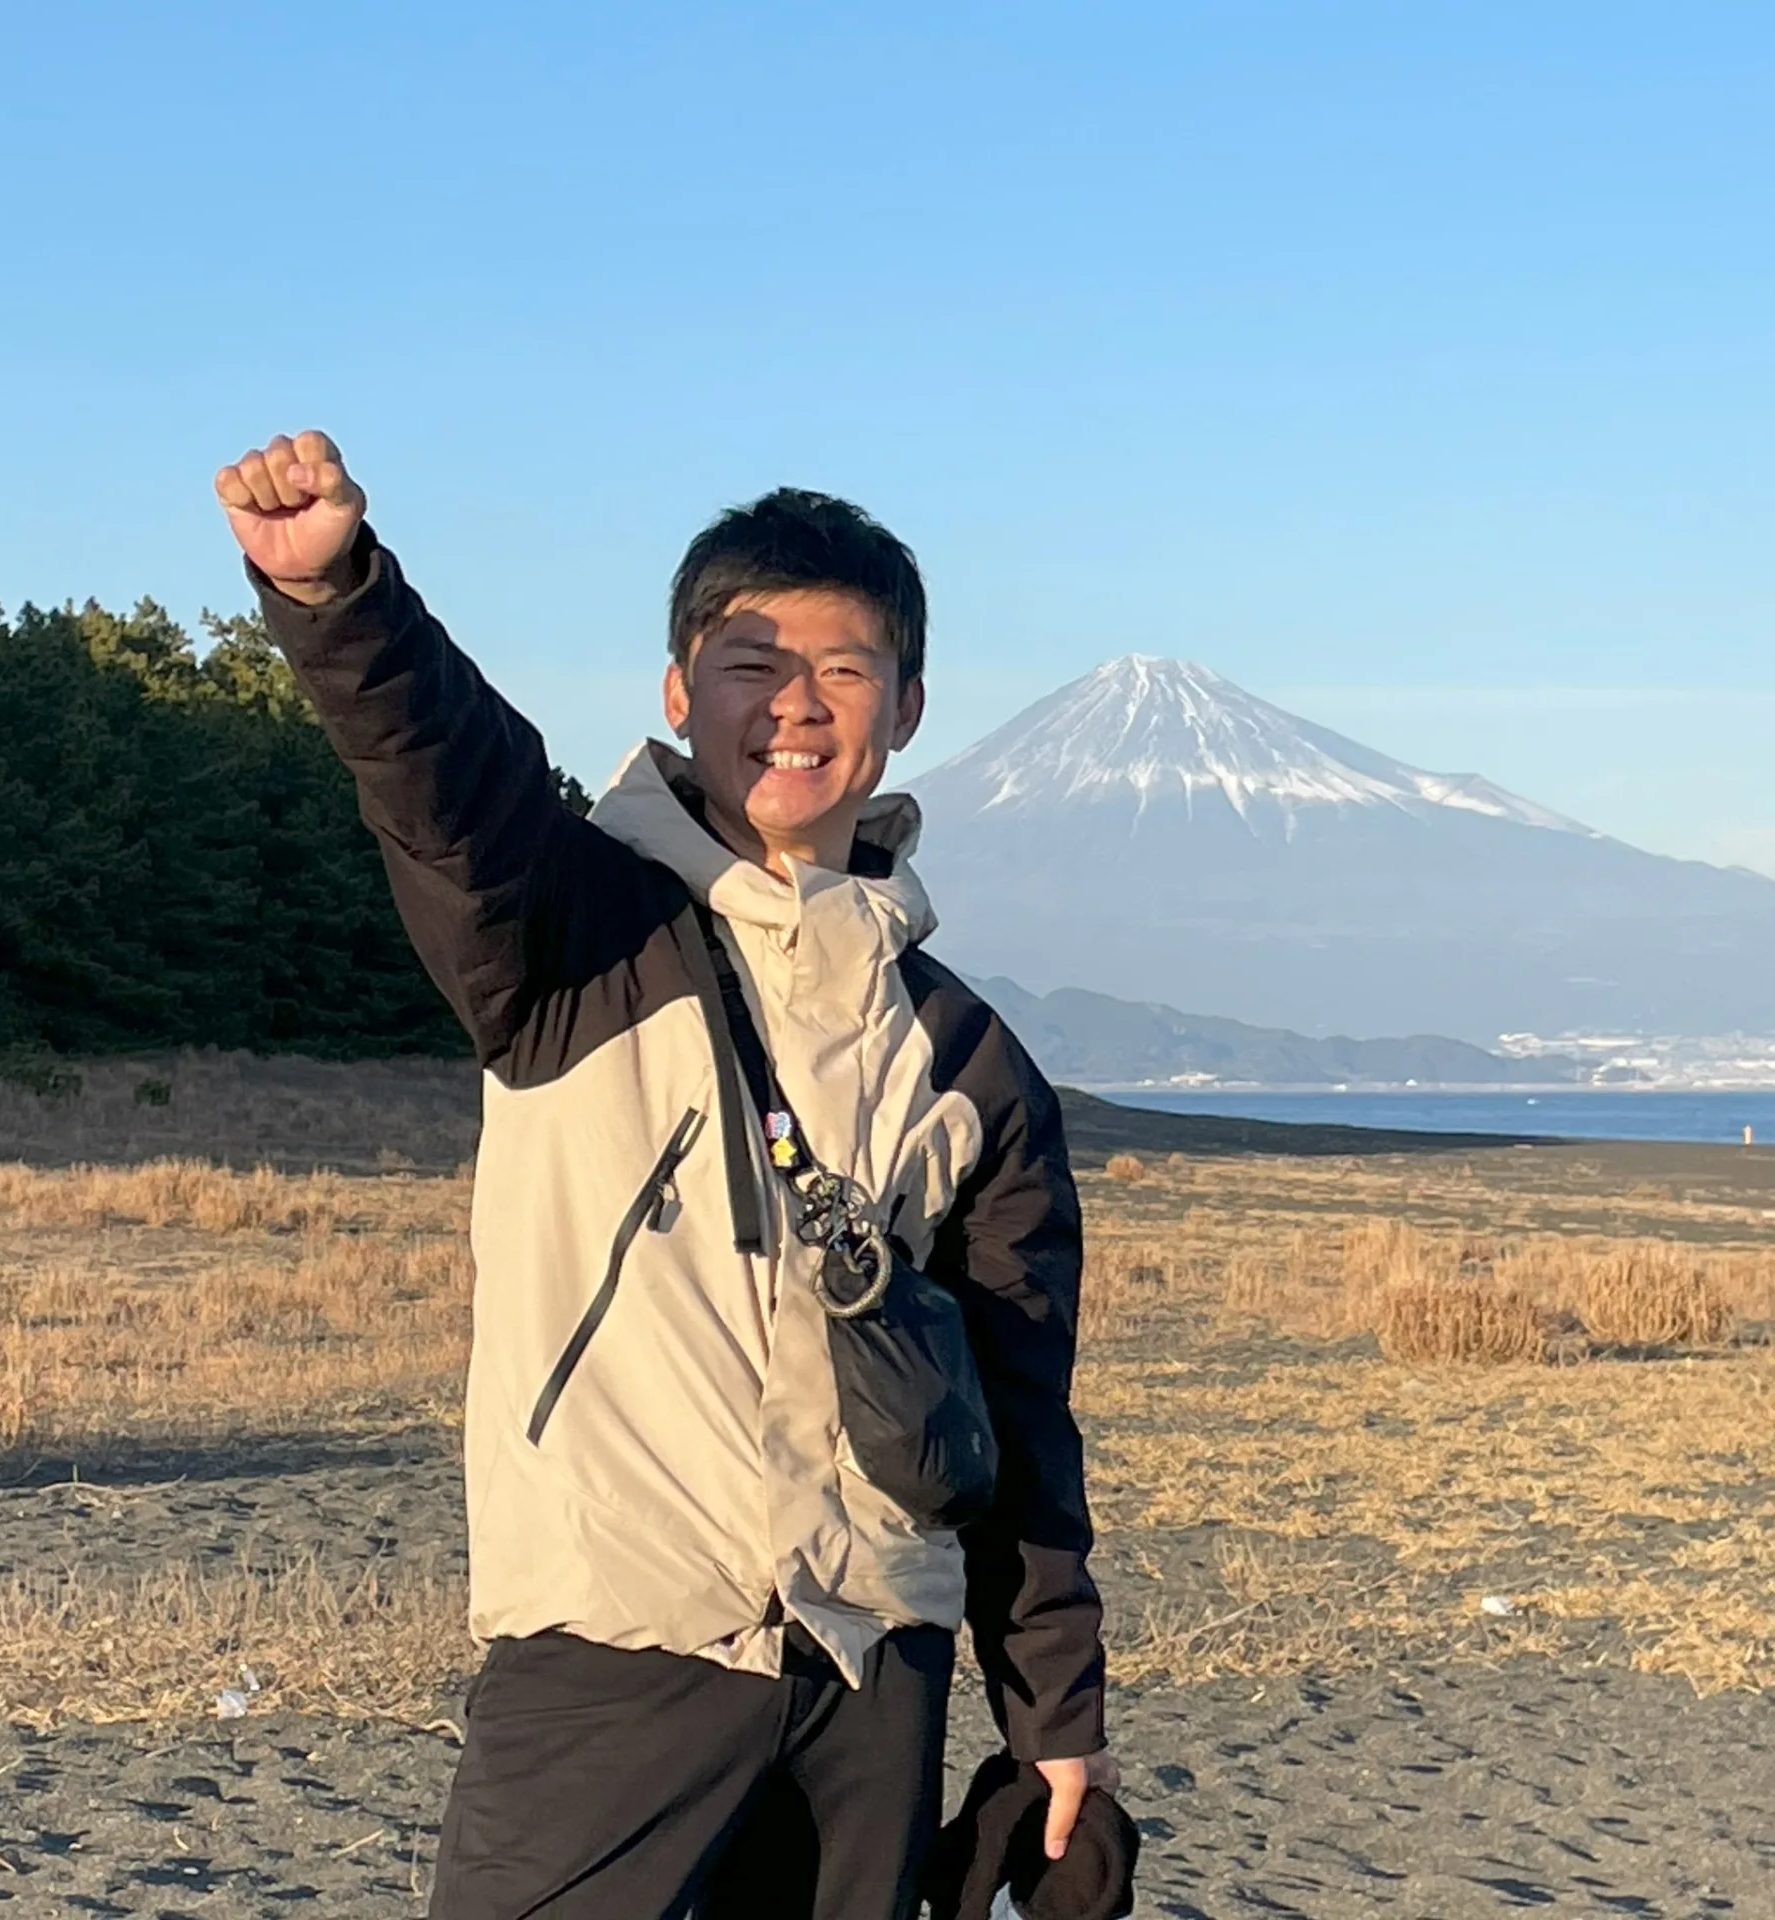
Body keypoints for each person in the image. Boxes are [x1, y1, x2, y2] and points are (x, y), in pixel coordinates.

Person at [215, 432, 1115, 1920]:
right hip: (610, 1642)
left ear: (907, 708)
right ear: (679, 693)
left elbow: (1021, 1409)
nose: (796, 702)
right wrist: (340, 601)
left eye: (845, 664)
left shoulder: (969, 1060)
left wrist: (1055, 1718)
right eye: (750, 659)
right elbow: (442, 778)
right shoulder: (569, 934)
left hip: (875, 1668)